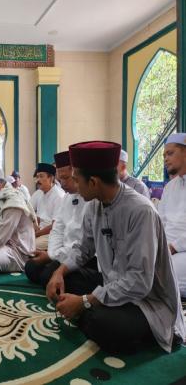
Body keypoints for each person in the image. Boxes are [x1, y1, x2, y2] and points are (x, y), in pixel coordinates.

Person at [45, 140, 185, 354]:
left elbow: (139, 281)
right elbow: (82, 250)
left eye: (76, 179)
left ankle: (142, 331)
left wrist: (85, 302)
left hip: (148, 301)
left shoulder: (140, 212)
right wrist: (59, 271)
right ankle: (92, 312)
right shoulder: (94, 205)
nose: (73, 186)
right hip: (113, 283)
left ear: (93, 182)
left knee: (103, 324)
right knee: (68, 281)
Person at [25, 151, 93, 287]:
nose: (62, 184)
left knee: (48, 276)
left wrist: (54, 257)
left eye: (66, 178)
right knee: (30, 268)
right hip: (63, 252)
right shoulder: (67, 197)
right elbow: (58, 229)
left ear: (77, 174)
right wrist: (51, 254)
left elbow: (83, 244)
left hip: (83, 257)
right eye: (60, 179)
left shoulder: (91, 199)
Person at [158, 133, 186, 298]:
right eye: (164, 155)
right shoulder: (170, 187)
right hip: (167, 249)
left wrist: (173, 247)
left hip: (181, 251)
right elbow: (159, 222)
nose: (165, 159)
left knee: (162, 276)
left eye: (170, 153)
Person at [33, 163, 65, 250]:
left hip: (52, 234)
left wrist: (36, 234)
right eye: (37, 177)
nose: (38, 180)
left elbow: (55, 225)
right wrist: (34, 227)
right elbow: (39, 217)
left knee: (30, 247)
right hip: (41, 232)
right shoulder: (41, 194)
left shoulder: (59, 196)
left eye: (41, 176)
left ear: (51, 178)